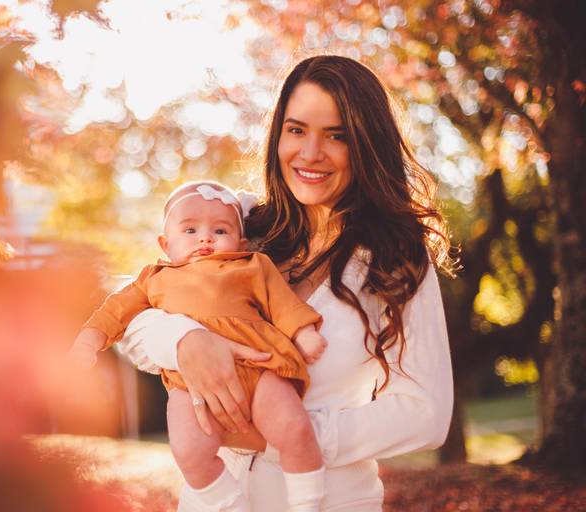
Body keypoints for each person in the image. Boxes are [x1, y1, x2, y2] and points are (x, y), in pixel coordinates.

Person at [118, 55, 455, 511]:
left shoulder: (395, 260)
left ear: (367, 145)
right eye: (296, 130)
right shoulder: (240, 226)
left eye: (337, 135)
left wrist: (284, 434)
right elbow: (133, 310)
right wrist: (184, 341)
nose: (310, 153)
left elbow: (426, 414)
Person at [70, 180, 331, 511]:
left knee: (294, 429)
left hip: (262, 364)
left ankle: (307, 503)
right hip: (191, 383)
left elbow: (283, 304)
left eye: (220, 231)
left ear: (241, 242)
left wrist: (303, 332)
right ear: (165, 243)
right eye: (190, 230)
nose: (205, 238)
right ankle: (228, 505)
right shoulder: (154, 277)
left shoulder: (253, 265)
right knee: (188, 450)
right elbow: (116, 311)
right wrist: (90, 339)